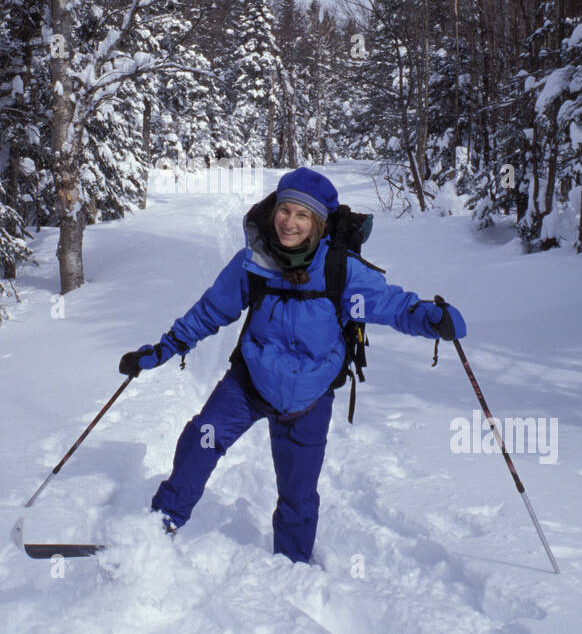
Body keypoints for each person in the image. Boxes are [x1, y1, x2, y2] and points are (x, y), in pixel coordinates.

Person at [118, 167, 466, 565]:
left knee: (298, 493)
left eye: (302, 216)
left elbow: (391, 305)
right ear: (273, 211)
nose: (290, 222)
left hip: (310, 398)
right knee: (203, 438)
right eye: (285, 210)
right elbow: (212, 310)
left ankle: (293, 566)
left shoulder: (339, 270)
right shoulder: (255, 262)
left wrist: (431, 319)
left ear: (317, 223)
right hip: (249, 383)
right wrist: (164, 349)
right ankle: (159, 526)